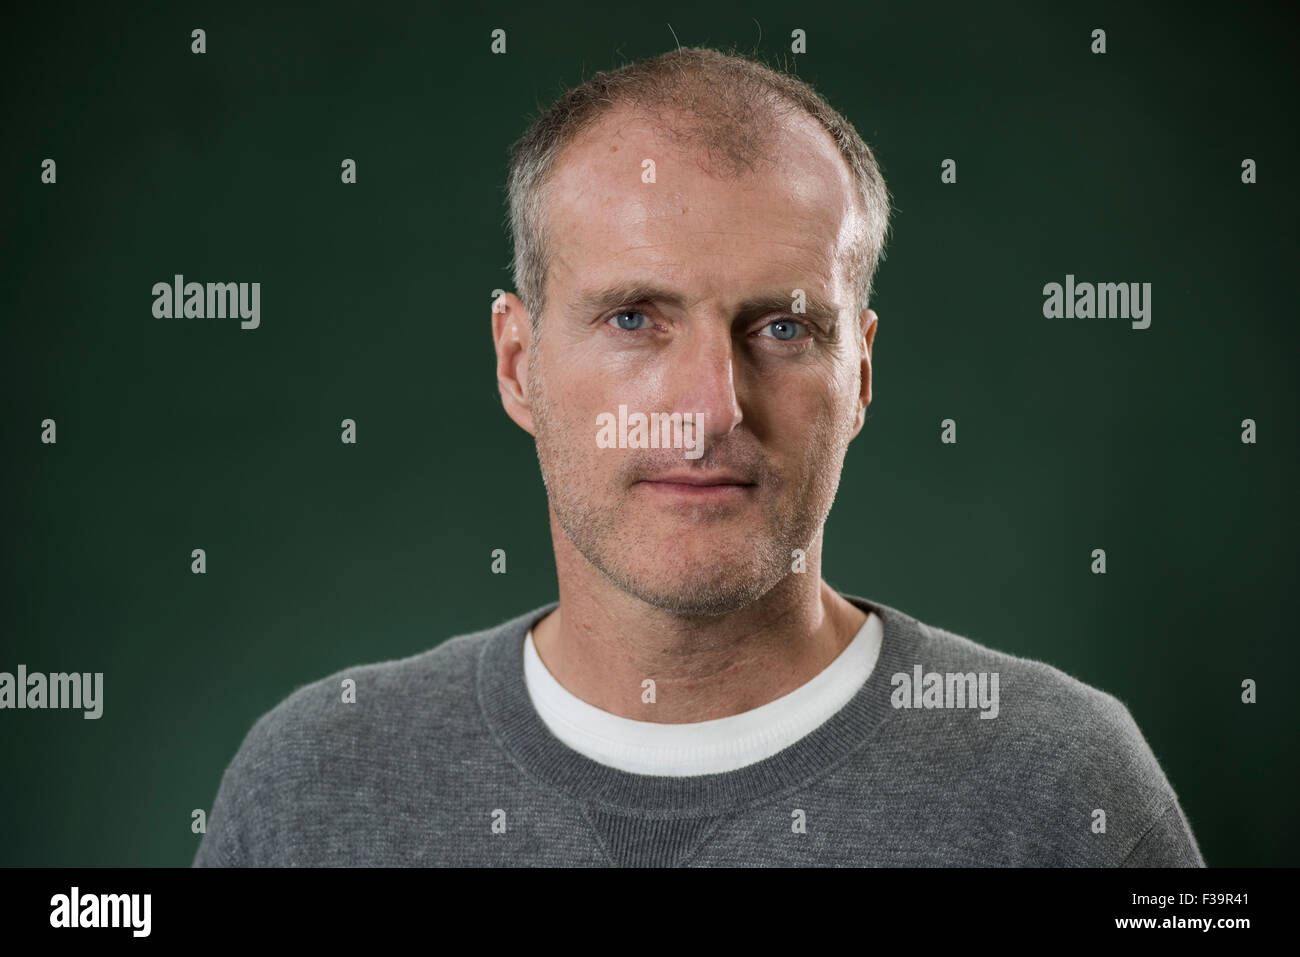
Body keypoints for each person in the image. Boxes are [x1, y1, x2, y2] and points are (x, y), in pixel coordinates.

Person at [194, 46, 1203, 867]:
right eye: (634, 318)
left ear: (858, 375)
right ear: (517, 363)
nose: (707, 411)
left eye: (781, 328)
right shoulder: (315, 788)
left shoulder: (1063, 788)